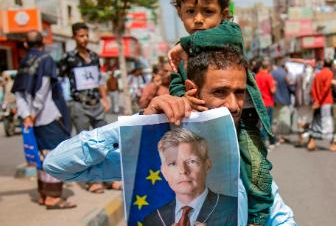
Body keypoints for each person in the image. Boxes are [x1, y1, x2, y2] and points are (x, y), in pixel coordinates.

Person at [44, 48, 296, 225]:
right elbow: (58, 165)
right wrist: (140, 121)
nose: (233, 105)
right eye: (220, 91)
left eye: (239, 93)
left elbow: (280, 218)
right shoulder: (152, 152)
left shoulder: (246, 158)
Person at [165, 0, 276, 224]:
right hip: (200, 127)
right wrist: (183, 98)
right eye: (190, 12)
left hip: (241, 125)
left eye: (207, 11)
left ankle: (258, 217)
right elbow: (175, 82)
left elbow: (231, 35)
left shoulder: (225, 34)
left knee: (256, 171)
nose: (199, 20)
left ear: (224, 14)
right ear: (180, 13)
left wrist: (187, 42)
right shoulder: (182, 57)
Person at [12, 31, 75, 209]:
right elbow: (43, 90)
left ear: (25, 44)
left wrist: (26, 115)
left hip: (33, 120)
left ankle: (43, 195)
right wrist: (33, 112)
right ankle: (52, 197)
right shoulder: (46, 59)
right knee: (55, 155)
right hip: (48, 117)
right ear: (44, 43)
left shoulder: (24, 62)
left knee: (41, 155)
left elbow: (19, 92)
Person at [59, 22, 119, 193]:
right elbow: (59, 81)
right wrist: (66, 103)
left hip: (96, 104)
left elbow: (99, 79)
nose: (84, 39)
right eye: (80, 36)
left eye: (86, 35)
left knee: (107, 142)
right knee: (86, 145)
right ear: (74, 37)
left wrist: (105, 99)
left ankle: (110, 179)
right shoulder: (68, 58)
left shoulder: (93, 56)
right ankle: (93, 181)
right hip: (79, 105)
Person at [144, 127, 237, 225]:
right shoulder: (153, 220)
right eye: (173, 163)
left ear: (207, 166)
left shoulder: (234, 208)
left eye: (191, 161)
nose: (183, 170)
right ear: (164, 172)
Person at [305, 59, 336, 152]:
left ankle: (312, 142)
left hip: (318, 102)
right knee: (328, 123)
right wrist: (319, 100)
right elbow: (326, 88)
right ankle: (332, 143)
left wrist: (316, 100)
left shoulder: (317, 74)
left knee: (316, 122)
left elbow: (313, 88)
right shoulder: (329, 73)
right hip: (326, 101)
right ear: (330, 65)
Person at [255, 59, 277, 148]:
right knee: (267, 123)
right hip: (268, 103)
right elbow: (273, 90)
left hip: (259, 103)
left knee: (261, 122)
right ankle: (266, 141)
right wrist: (275, 85)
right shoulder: (268, 76)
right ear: (268, 67)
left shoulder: (256, 76)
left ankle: (264, 140)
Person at [271, 60, 291, 140]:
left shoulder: (272, 73)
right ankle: (282, 136)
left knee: (276, 117)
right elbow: (289, 84)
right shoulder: (285, 73)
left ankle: (275, 135)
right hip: (284, 98)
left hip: (275, 99)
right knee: (284, 117)